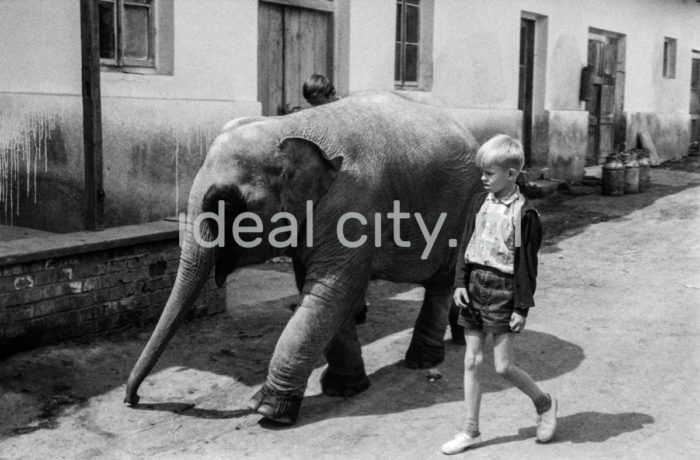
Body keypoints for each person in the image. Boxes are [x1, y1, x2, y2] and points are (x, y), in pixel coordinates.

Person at [441, 134, 557, 454]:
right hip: (475, 284)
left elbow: (526, 267)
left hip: (504, 291)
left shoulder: (525, 215)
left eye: (489, 173)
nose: (483, 178)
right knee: (471, 360)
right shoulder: (479, 203)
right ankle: (471, 430)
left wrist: (521, 308)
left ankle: (544, 404)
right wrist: (460, 282)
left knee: (503, 367)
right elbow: (466, 244)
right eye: (482, 172)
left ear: (511, 174)